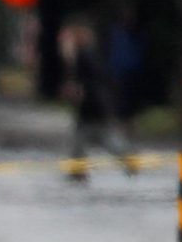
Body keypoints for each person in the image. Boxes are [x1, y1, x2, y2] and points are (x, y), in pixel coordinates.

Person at [58, 20, 135, 183]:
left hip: (93, 106)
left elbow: (92, 78)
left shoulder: (84, 54)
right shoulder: (82, 55)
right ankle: (79, 171)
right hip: (90, 106)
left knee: (100, 137)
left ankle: (127, 160)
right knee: (85, 138)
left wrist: (80, 90)